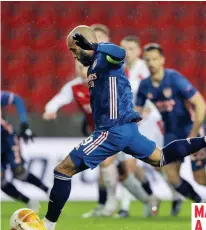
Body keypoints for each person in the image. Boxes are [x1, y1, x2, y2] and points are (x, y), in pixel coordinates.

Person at [21, 25, 206, 230]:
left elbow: (120, 53)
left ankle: (47, 226)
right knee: (161, 157)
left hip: (112, 130)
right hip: (127, 130)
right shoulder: (94, 67)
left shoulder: (105, 58)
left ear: (86, 44)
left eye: (74, 49)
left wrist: (95, 46)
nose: (73, 55)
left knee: (62, 170)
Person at [43, 24, 156, 218]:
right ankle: (133, 201)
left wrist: (146, 107)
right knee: (116, 169)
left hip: (124, 125)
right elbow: (58, 99)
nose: (79, 64)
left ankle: (124, 204)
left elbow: (135, 88)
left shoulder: (110, 67)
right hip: (105, 130)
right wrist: (50, 109)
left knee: (126, 169)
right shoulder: (78, 84)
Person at [135, 43, 206, 204]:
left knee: (200, 178)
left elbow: (200, 104)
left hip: (190, 130)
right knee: (171, 176)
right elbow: (137, 112)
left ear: (162, 60)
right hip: (171, 133)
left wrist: (193, 133)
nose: (151, 63)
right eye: (147, 59)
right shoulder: (145, 86)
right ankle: (200, 201)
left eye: (155, 59)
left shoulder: (174, 78)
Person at [117, 36, 182, 218]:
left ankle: (176, 194)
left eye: (130, 48)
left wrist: (148, 110)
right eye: (123, 48)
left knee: (157, 164)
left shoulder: (146, 68)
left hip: (150, 123)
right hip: (130, 123)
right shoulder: (118, 70)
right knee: (128, 166)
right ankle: (128, 205)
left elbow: (158, 92)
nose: (126, 52)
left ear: (138, 51)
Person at [1, 91, 50, 212]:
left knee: (19, 172)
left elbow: (17, 99)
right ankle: (28, 201)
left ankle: (48, 191)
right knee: (1, 181)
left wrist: (24, 124)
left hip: (5, 138)